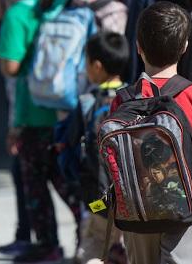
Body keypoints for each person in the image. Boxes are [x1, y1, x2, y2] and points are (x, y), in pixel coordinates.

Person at [117, 1, 192, 264]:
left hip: (136, 211)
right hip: (183, 208)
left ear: (138, 47)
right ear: (184, 48)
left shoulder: (123, 99)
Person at [0, 0, 81, 263]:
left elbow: (11, 67)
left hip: (33, 113)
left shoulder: (20, 13)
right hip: (70, 110)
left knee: (37, 188)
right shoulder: (71, 2)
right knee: (70, 180)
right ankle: (94, 232)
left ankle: (48, 247)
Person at [59, 31, 129, 264]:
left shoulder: (87, 103)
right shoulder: (135, 98)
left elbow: (68, 148)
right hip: (134, 199)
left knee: (93, 246)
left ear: (97, 66)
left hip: (98, 199)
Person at [0, 0, 34, 258]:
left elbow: (16, 85)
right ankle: (25, 235)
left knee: (26, 177)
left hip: (26, 116)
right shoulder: (2, 26)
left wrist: (14, 126)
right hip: (22, 114)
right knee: (24, 177)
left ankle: (30, 237)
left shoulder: (11, 26)